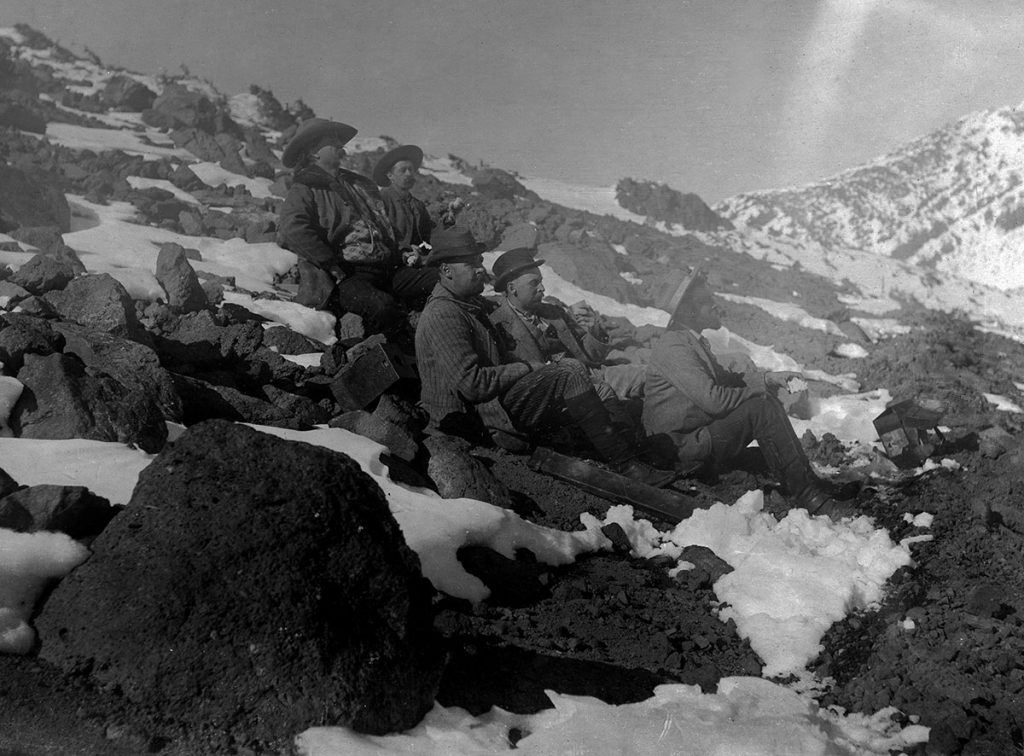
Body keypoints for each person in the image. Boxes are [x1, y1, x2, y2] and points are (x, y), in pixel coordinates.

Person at [414, 227, 675, 488]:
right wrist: (526, 367)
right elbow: (472, 385)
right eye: (471, 263)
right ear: (447, 271)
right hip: (467, 424)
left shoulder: (465, 305)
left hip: (490, 408)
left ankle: (632, 458)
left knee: (586, 383)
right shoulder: (444, 314)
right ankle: (627, 465)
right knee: (570, 372)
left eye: (480, 261)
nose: (481, 268)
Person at [641, 266, 846, 515]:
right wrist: (757, 393)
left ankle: (811, 486)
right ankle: (810, 498)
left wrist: (769, 380)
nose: (715, 305)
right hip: (680, 448)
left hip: (692, 438)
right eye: (707, 302)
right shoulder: (674, 346)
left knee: (763, 403)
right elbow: (714, 400)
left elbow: (728, 380)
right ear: (690, 311)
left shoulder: (689, 340)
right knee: (761, 409)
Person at [276, 119, 438, 335]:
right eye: (331, 140)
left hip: (388, 268)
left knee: (444, 278)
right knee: (382, 307)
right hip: (349, 276)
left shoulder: (358, 185)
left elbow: (381, 225)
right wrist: (330, 263)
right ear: (314, 151)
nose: (339, 144)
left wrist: (401, 251)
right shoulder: (306, 187)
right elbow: (292, 227)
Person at [487, 248, 645, 402]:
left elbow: (590, 355)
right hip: (557, 395)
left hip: (593, 374)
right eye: (534, 283)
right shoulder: (498, 325)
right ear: (512, 288)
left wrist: (594, 330)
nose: (542, 288)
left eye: (541, 282)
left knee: (650, 375)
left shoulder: (553, 312)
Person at [373, 144, 434, 265]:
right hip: (394, 261)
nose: (408, 174)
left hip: (418, 259)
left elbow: (429, 232)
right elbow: (380, 235)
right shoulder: (381, 200)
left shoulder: (417, 204)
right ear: (390, 176)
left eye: (411, 170)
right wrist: (405, 248)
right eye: (403, 170)